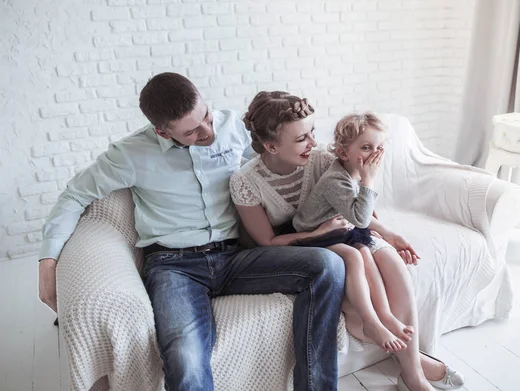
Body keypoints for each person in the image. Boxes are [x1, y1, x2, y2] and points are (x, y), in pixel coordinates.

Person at [37, 72, 346, 391]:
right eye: (192, 131)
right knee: (184, 354)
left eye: (207, 117)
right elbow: (74, 195)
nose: (209, 132)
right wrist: (48, 262)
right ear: (162, 131)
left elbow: (276, 160)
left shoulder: (233, 128)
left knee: (327, 267)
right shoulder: (130, 154)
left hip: (236, 257)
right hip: (174, 267)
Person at [230, 93, 465, 391]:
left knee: (391, 261)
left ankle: (410, 367)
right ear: (272, 146)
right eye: (302, 138)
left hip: (344, 232)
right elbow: (267, 241)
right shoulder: (245, 181)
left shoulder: (321, 159)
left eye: (312, 132)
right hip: (301, 245)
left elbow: (360, 211)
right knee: (355, 274)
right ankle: (412, 364)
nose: (313, 143)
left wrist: (389, 234)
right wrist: (315, 235)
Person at [291, 113, 415, 354]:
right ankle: (370, 321)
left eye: (379, 147)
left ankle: (385, 315)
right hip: (315, 235)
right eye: (366, 147)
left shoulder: (353, 173)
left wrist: (389, 234)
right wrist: (369, 179)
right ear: (343, 153)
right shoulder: (336, 180)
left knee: (366, 255)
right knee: (354, 256)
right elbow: (360, 217)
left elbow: (361, 216)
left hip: (341, 229)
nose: (374, 155)